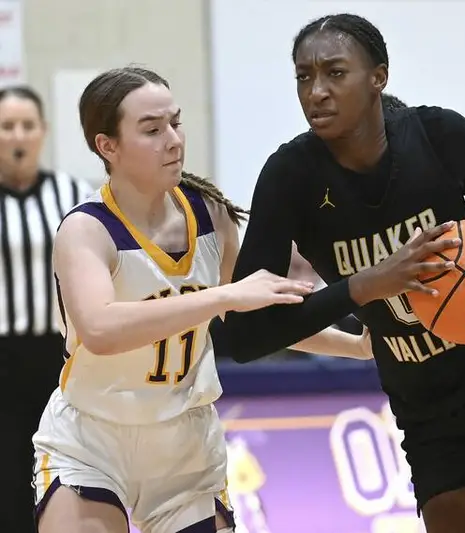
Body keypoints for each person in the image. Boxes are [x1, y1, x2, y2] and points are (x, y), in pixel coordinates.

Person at [222, 13, 465, 533]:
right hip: (424, 403)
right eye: (304, 77)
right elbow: (243, 336)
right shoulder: (289, 178)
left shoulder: (440, 135)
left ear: (379, 77)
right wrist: (364, 286)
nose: (316, 91)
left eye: (334, 73)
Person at [31, 66, 373, 533]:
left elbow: (260, 320)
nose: (174, 140)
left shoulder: (210, 214)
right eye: (152, 130)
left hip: (185, 447)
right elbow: (101, 330)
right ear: (107, 146)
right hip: (93, 439)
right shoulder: (86, 229)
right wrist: (222, 296)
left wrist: (356, 347)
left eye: (175, 122)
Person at [0, 85, 92, 533]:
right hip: (1, 353)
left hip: (55, 353)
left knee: (57, 464)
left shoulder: (71, 193)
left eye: (27, 125)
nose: (18, 135)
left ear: (43, 131)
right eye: (7, 126)